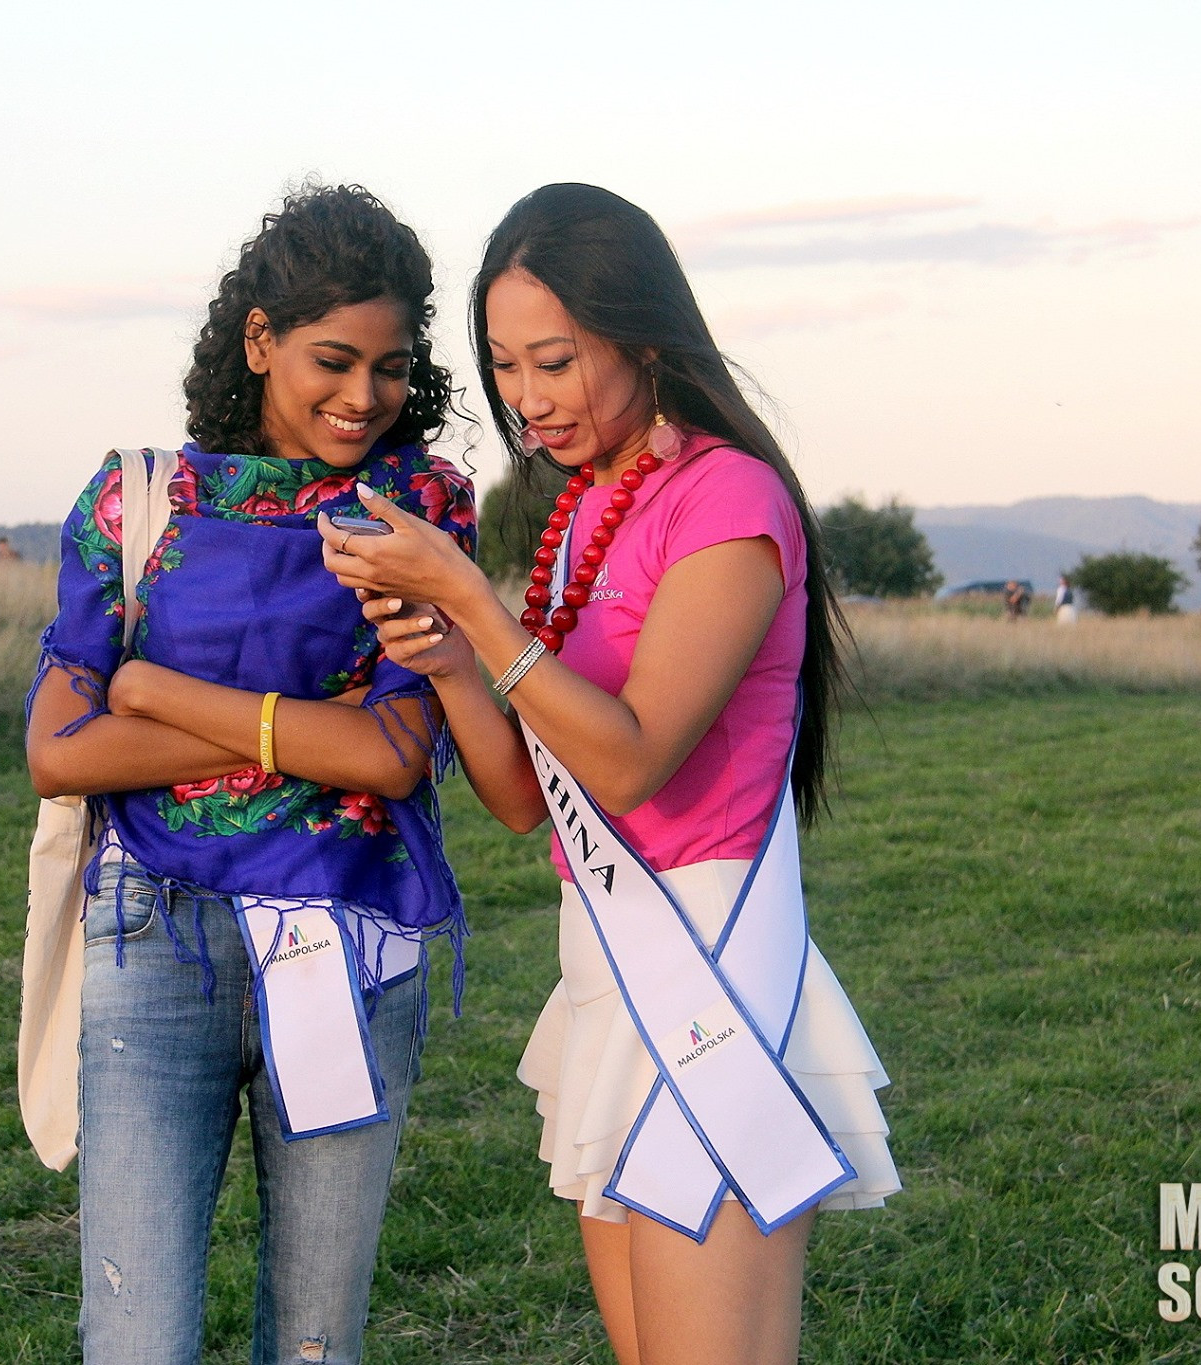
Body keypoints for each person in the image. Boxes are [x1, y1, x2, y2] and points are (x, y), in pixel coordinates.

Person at [321, 183, 897, 1365]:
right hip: (607, 983)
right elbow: (529, 795)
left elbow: (630, 762)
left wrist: (473, 603)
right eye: (504, 366)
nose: (527, 402)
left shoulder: (727, 500)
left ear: (640, 338)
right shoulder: (585, 511)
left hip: (706, 977)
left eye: (556, 361)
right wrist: (442, 658)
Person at [23, 184, 476, 1365]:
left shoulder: (418, 509)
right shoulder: (133, 500)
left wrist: (155, 693)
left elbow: (392, 751)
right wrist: (306, 726)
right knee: (135, 1334)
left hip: (350, 945)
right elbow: (56, 756)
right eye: (333, 358)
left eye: (390, 367)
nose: (362, 396)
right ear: (260, 339)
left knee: (316, 1341)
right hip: (151, 938)